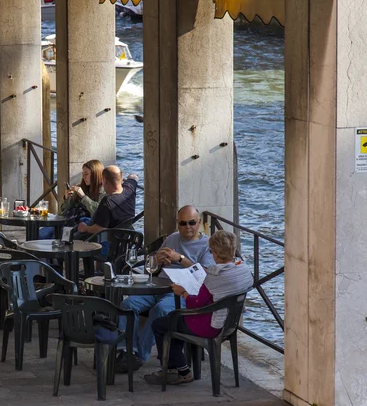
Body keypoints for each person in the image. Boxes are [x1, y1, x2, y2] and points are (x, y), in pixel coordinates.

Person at [144, 230, 254, 385]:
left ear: (215, 253)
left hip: (210, 325)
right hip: (229, 323)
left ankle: (178, 370)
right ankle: (178, 367)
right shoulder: (242, 269)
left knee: (161, 324)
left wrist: (182, 292)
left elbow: (195, 304)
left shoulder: (214, 276)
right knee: (173, 320)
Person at [114, 205, 215, 373]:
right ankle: (126, 349)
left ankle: (139, 354)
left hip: (183, 291)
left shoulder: (206, 245)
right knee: (128, 305)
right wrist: (157, 261)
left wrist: (180, 258)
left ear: (198, 223)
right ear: (177, 223)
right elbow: (151, 268)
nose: (187, 227)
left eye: (191, 223)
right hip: (159, 285)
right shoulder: (172, 238)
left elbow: (205, 275)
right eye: (183, 223)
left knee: (161, 310)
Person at [38, 159, 105, 239]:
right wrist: (67, 199)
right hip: (65, 220)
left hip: (79, 224)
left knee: (54, 238)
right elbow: (63, 211)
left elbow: (99, 212)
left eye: (86, 174)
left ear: (95, 174)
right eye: (83, 174)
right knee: (39, 235)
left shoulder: (103, 191)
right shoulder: (82, 187)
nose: (83, 177)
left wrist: (83, 197)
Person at [76, 165, 138, 236]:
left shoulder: (107, 201)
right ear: (121, 179)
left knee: (77, 230)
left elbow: (99, 229)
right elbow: (134, 177)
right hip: (126, 236)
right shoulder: (130, 189)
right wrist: (131, 177)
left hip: (111, 240)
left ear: (105, 181)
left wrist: (85, 228)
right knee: (84, 219)